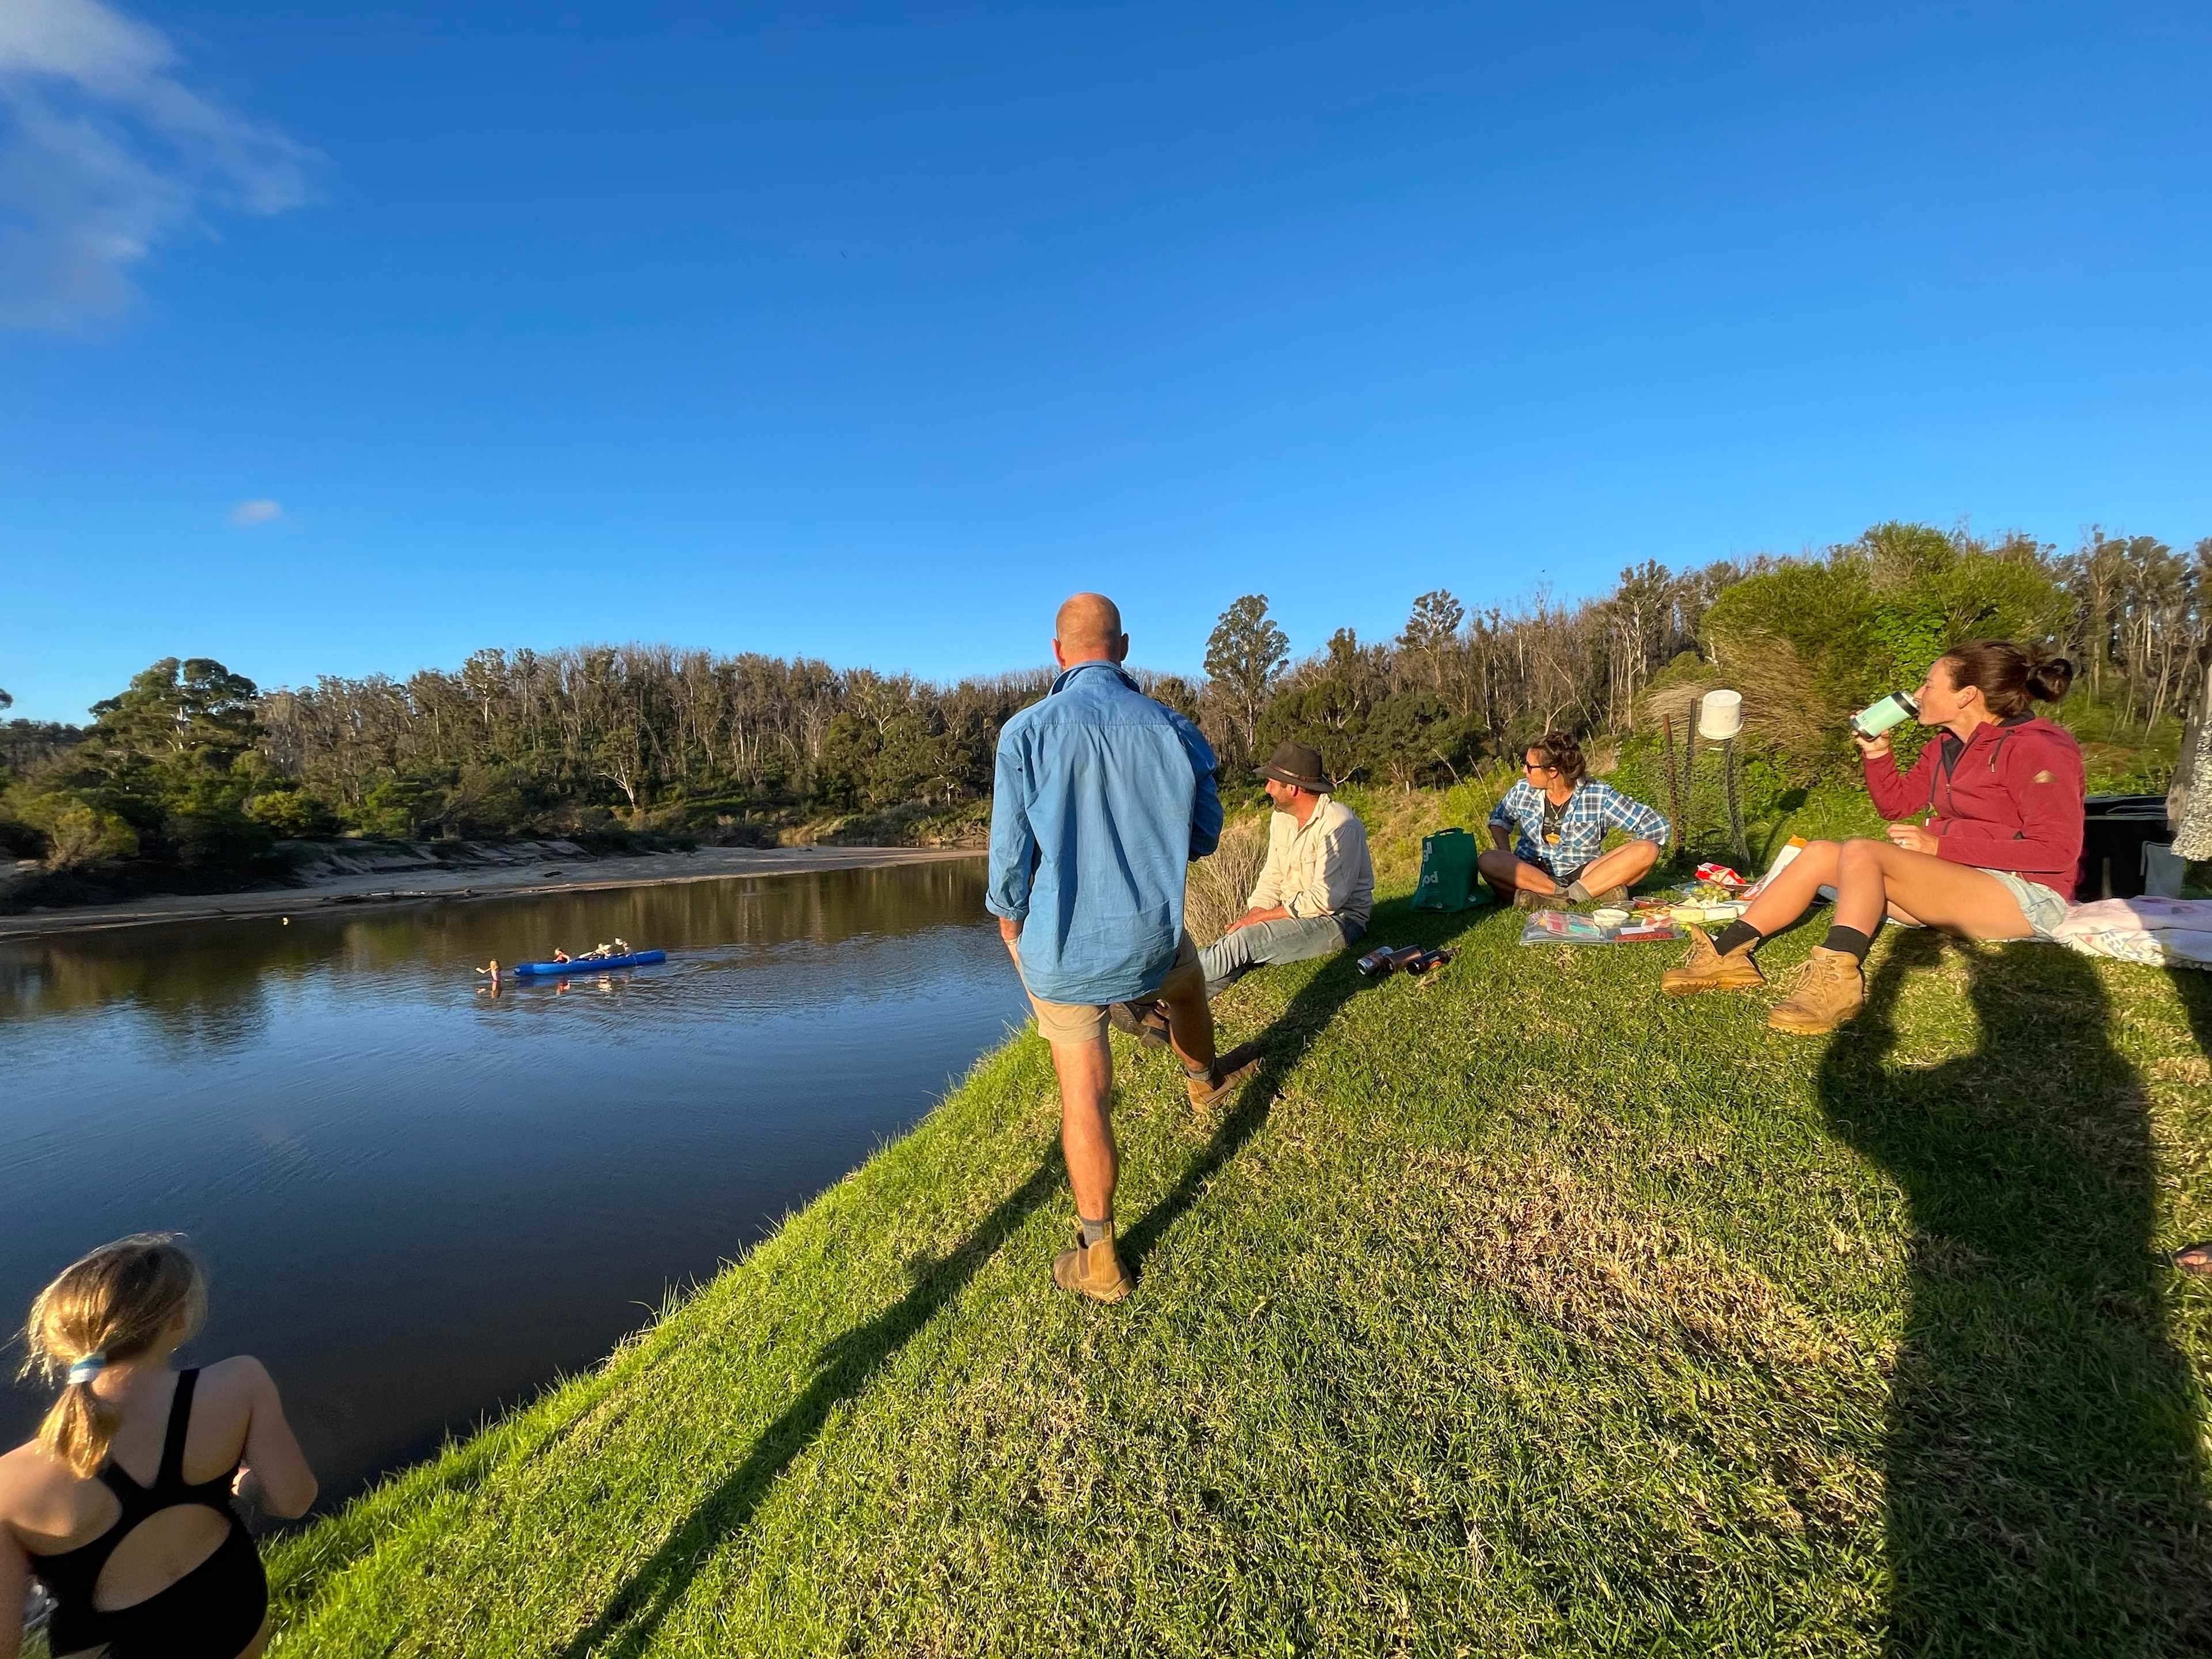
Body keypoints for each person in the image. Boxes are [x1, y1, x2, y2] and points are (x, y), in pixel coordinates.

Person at [987, 593, 1257, 1303]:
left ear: (1057, 652)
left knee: (1085, 1093)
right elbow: (1204, 836)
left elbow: (1010, 860)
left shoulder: (1024, 734)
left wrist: (1011, 928)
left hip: (1061, 948)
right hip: (1152, 937)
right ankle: (1203, 1084)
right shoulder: (1174, 727)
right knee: (1188, 986)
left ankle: (1100, 1256)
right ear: (1125, 647)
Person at [1662, 641, 2084, 1033]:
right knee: (1821, 852)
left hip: (2025, 895)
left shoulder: (2037, 747)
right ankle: (1727, 953)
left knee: (1864, 851)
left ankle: (1838, 980)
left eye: (1930, 684)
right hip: (1958, 882)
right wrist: (1878, 753)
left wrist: (1940, 846)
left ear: (1966, 696)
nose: (1919, 694)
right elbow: (1897, 806)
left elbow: (2057, 851)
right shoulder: (1945, 746)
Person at [1, 1234, 316, 1659]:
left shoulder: (9, 1484)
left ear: (66, 1342)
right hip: (231, 1604)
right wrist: (240, 1483)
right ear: (178, 1319)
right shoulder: (240, 1384)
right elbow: (294, 1501)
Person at [1195, 741, 1373, 1001]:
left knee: (1246, 942)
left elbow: (1326, 900)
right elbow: (1273, 874)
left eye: (1271, 783)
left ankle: (1162, 982)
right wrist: (1256, 913)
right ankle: (1171, 1008)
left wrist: (1262, 920)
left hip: (1340, 922)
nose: (1267, 789)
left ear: (1292, 788)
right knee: (1240, 943)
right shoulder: (1281, 818)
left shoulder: (1340, 825)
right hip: (1295, 914)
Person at [1480, 730, 1668, 907]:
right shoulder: (1522, 790)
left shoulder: (1599, 795)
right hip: (1532, 872)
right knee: (1487, 860)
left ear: (1552, 771)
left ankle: (1562, 896)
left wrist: (1609, 868)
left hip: (1584, 874)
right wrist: (1508, 855)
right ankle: (1583, 895)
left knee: (1647, 850)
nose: (1524, 770)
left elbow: (1656, 826)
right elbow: (1499, 820)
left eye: (1530, 767)